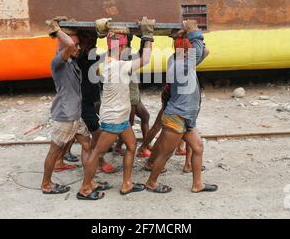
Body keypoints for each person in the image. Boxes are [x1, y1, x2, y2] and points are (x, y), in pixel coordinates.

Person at [77, 17, 155, 200]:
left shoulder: (110, 64)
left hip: (120, 118)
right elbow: (145, 59)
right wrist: (148, 35)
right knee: (96, 153)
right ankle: (85, 188)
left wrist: (108, 34)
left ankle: (127, 184)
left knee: (131, 145)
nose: (128, 49)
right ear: (120, 47)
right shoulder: (118, 66)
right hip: (114, 120)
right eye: (126, 46)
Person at [144, 20, 218, 194]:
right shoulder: (183, 64)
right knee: (166, 154)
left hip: (186, 116)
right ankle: (151, 182)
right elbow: (201, 50)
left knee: (198, 147)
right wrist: (192, 32)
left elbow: (204, 51)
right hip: (176, 116)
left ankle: (197, 184)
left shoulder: (177, 60)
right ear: (185, 50)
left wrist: (187, 39)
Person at [41, 18, 109, 195]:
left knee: (87, 146)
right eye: (75, 45)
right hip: (65, 115)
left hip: (75, 114)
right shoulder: (58, 62)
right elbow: (70, 44)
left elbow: (72, 46)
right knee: (54, 151)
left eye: (79, 45)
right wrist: (57, 30)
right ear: (64, 46)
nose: (78, 48)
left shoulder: (71, 62)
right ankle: (46, 184)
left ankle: (89, 182)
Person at [76, 31, 118, 174]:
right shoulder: (79, 57)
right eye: (88, 40)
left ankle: (61, 158)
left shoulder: (93, 55)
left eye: (93, 40)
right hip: (82, 102)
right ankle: (99, 161)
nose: (92, 43)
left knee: (101, 130)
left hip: (93, 99)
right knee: (97, 134)